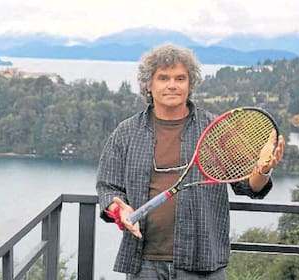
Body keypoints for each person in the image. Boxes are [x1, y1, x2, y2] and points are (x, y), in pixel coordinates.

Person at [96, 44, 285, 280]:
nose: (172, 85)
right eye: (163, 78)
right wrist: (119, 210)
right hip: (143, 263)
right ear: (148, 84)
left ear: (190, 84)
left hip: (203, 262)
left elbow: (248, 185)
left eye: (180, 78)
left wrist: (263, 170)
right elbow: (107, 188)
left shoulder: (215, 129)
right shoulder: (126, 132)